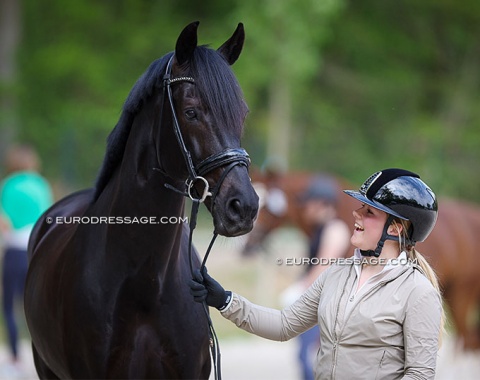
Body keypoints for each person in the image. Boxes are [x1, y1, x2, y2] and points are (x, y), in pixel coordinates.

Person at [190, 168, 445, 380]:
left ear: (397, 227)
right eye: (360, 207)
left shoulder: (418, 292)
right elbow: (284, 325)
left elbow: (420, 374)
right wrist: (225, 300)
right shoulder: (337, 274)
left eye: (369, 212)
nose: (356, 213)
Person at [280, 175, 350, 380]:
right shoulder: (317, 231)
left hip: (327, 309)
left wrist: (300, 289)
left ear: (322, 203)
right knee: (305, 358)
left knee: (311, 359)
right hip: (316, 306)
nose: (305, 209)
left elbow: (324, 264)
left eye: (309, 203)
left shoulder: (335, 229)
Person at [0, 144, 53, 375]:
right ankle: (42, 353)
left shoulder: (7, 185)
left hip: (13, 251)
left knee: (10, 306)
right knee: (35, 306)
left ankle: (14, 356)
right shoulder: (41, 185)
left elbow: (4, 221)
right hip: (36, 250)